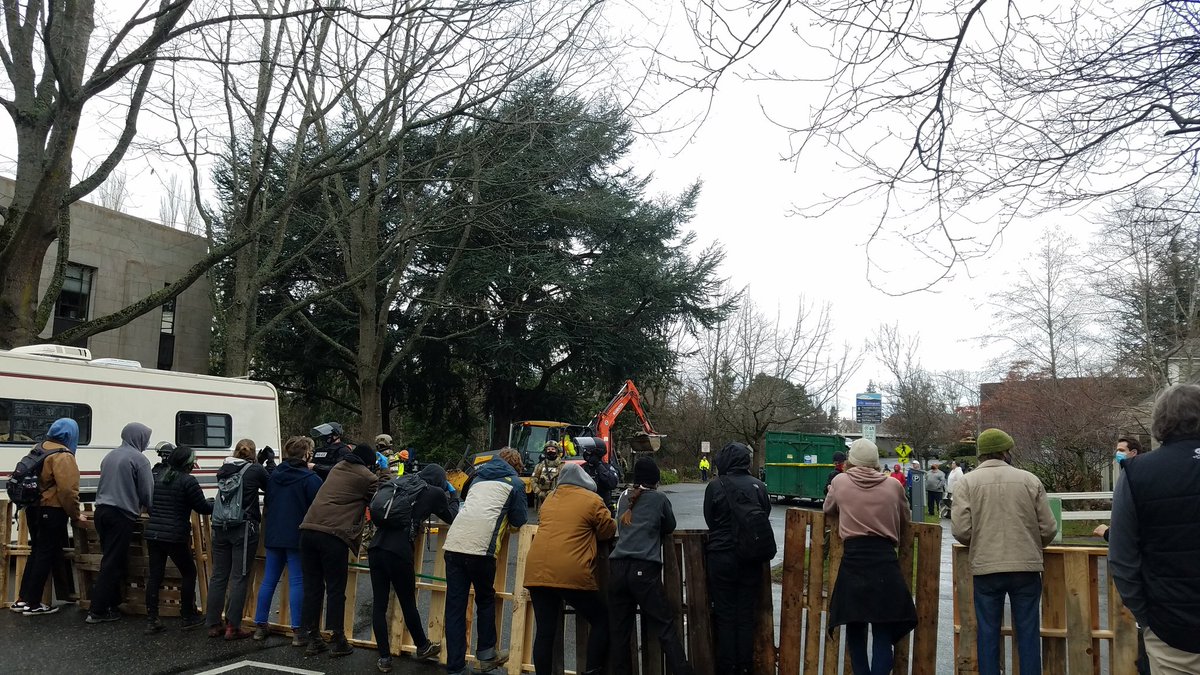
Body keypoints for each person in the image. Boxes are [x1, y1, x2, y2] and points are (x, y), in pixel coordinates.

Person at [951, 428, 1057, 675]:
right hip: (1026, 566)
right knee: (1028, 632)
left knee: (987, 632)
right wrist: (1031, 542)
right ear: (1006, 452)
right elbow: (1049, 527)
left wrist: (980, 540)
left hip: (986, 566)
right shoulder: (1029, 480)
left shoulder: (966, 483)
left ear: (981, 454)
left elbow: (961, 530)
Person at [1110, 385, 1200, 672]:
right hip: (1169, 623)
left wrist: (1146, 616)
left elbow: (1122, 558)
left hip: (1172, 628)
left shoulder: (1137, 474)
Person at [824, 439, 916, 675]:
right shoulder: (893, 486)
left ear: (851, 460)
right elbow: (905, 517)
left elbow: (828, 509)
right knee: (883, 629)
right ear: (876, 462)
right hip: (884, 560)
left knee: (855, 628)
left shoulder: (840, 481)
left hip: (854, 559)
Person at [442, 448, 528, 675]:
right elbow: (519, 520)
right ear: (516, 466)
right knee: (485, 599)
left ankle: (455, 666)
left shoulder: (477, 479)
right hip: (481, 549)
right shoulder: (515, 484)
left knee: (455, 607)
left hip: (453, 545)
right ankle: (487, 654)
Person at [524, 462, 616, 675]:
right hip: (570, 569)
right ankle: (593, 670)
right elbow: (607, 530)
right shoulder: (593, 500)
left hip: (537, 571)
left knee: (545, 631)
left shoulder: (549, 499)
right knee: (601, 619)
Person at [370, 463, 460, 673]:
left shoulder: (401, 484)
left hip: (376, 547)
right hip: (399, 552)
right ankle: (422, 646)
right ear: (440, 480)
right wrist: (453, 493)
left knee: (379, 604)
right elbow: (452, 516)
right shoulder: (435, 492)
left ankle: (384, 658)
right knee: (408, 602)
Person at [609, 456, 694, 675]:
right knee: (664, 625)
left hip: (618, 567)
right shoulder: (659, 499)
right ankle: (681, 671)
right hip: (643, 569)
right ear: (655, 480)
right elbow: (669, 525)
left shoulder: (623, 498)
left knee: (619, 630)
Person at [298, 444, 382, 657]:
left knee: (312, 588)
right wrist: (385, 475)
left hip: (307, 530)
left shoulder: (337, 468)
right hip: (332, 536)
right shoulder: (368, 478)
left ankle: (312, 638)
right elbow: (378, 501)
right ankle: (337, 640)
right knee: (335, 589)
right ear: (369, 463)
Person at [703, 442, 772, 675]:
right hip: (750, 558)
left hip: (721, 556)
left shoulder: (715, 486)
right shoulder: (759, 486)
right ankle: (745, 666)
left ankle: (726, 666)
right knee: (745, 615)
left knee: (724, 614)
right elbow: (765, 516)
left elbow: (710, 520)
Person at [253, 436, 322, 643]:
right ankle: (298, 630)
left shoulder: (274, 476)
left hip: (274, 533)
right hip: (297, 534)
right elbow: (317, 507)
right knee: (297, 581)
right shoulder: (311, 479)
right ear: (306, 454)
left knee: (269, 580)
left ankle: (260, 624)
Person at [87, 422, 154, 624]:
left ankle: (111, 604)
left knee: (109, 557)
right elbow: (147, 491)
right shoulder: (139, 459)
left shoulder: (110, 456)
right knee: (113, 561)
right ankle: (97, 610)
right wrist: (151, 509)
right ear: (139, 438)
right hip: (121, 514)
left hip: (101, 512)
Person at [12, 419, 81, 616]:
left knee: (37, 552)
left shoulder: (40, 447)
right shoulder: (63, 455)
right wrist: (75, 514)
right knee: (45, 553)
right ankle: (33, 603)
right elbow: (68, 491)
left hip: (32, 507)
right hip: (51, 509)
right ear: (70, 435)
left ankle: (23, 599)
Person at [206, 438, 270, 639]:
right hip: (243, 527)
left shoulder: (224, 469)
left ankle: (213, 624)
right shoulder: (256, 470)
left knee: (218, 576)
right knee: (239, 577)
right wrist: (263, 463)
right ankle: (233, 626)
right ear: (253, 452)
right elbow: (270, 486)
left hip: (220, 525)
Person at [143, 444, 211, 633]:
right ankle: (187, 615)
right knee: (189, 572)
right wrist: (217, 504)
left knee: (155, 575)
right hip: (174, 535)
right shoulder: (188, 481)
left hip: (154, 533)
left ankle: (152, 619)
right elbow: (202, 507)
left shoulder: (158, 477)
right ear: (188, 463)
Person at [1092, 437, 1144, 540]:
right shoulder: (1126, 474)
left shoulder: (1135, 478)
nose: (1117, 454)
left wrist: (1107, 533)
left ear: (1133, 452)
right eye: (1117, 450)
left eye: (1121, 450)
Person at [581, 444, 619, 510]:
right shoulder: (583, 468)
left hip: (602, 506)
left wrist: (599, 465)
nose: (586, 454)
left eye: (589, 452)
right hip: (586, 506)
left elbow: (612, 484)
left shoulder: (607, 467)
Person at [531, 442, 563, 509]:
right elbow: (533, 479)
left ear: (557, 451)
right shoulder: (540, 465)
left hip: (557, 497)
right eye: (548, 449)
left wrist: (555, 492)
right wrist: (538, 492)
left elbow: (565, 482)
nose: (550, 451)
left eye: (553, 449)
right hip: (542, 498)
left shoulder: (562, 466)